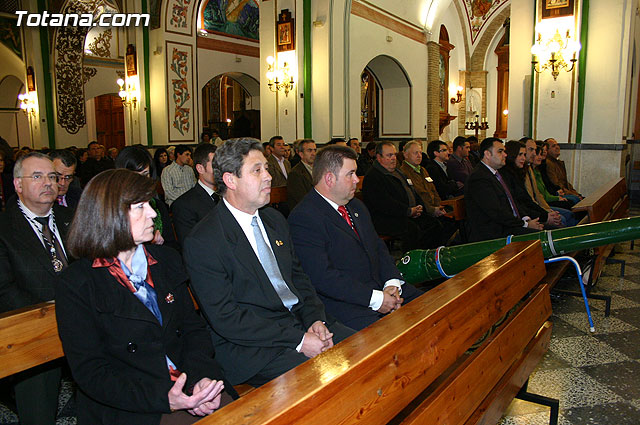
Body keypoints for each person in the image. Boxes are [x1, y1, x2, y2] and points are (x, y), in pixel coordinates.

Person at [56, 169, 235, 425]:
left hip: (186, 381)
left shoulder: (166, 260)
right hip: (132, 403)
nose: (153, 213)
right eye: (140, 207)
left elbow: (193, 331)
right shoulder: (78, 283)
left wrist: (202, 379)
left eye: (150, 205)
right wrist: (165, 399)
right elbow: (91, 372)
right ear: (109, 215)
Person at [183, 138, 354, 387]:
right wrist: (299, 339)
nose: (268, 176)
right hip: (254, 346)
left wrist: (315, 320)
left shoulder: (274, 220)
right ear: (230, 180)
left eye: (266, 167)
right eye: (257, 170)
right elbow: (227, 318)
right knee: (331, 379)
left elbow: (299, 279)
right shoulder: (204, 240)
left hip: (299, 323)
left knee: (362, 348)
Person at [289, 145, 423, 330]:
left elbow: (377, 247)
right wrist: (376, 299)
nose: (356, 180)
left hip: (382, 288)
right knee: (388, 337)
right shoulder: (305, 217)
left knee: (430, 307)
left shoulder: (356, 206)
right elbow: (322, 277)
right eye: (350, 174)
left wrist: (391, 282)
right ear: (329, 178)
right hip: (347, 302)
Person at [0, 153, 73, 425]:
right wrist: (50, 319)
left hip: (84, 320)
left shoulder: (71, 217)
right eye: (38, 176)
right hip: (31, 331)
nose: (48, 183)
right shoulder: (5, 228)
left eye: (52, 177)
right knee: (39, 411)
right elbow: (5, 289)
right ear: (18, 185)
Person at [362, 142, 447, 250]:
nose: (393, 158)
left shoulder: (397, 171)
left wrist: (421, 208)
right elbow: (385, 203)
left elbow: (412, 191)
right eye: (389, 155)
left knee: (433, 224)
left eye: (394, 155)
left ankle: (431, 257)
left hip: (405, 212)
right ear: (379, 157)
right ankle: (411, 260)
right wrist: (408, 211)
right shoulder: (374, 177)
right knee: (412, 229)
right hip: (385, 217)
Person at [465, 138, 544, 242]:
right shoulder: (479, 178)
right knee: (545, 239)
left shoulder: (497, 174)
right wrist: (525, 224)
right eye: (500, 151)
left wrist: (526, 219)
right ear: (487, 154)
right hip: (494, 233)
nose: (505, 155)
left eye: (504, 151)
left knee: (553, 232)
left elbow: (513, 201)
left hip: (509, 226)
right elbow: (496, 212)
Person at [116, 146, 179, 250]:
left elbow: (172, 245)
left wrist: (156, 247)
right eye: (135, 176)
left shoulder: (157, 206)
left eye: (145, 174)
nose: (141, 181)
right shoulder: (113, 209)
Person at [171, 143, 219, 245]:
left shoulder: (228, 195)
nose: (220, 170)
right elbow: (190, 246)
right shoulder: (184, 205)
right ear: (200, 168)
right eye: (215, 165)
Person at [544, 138, 583, 204]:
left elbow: (566, 183)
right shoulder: (548, 163)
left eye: (557, 145)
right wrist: (573, 194)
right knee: (576, 200)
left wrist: (576, 193)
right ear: (547, 150)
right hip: (558, 193)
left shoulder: (558, 162)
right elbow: (556, 184)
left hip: (566, 192)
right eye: (553, 146)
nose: (557, 147)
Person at [286, 139, 316, 210]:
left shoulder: (319, 169)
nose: (313, 153)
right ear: (301, 154)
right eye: (309, 150)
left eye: (315, 150)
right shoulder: (295, 173)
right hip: (304, 210)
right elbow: (302, 199)